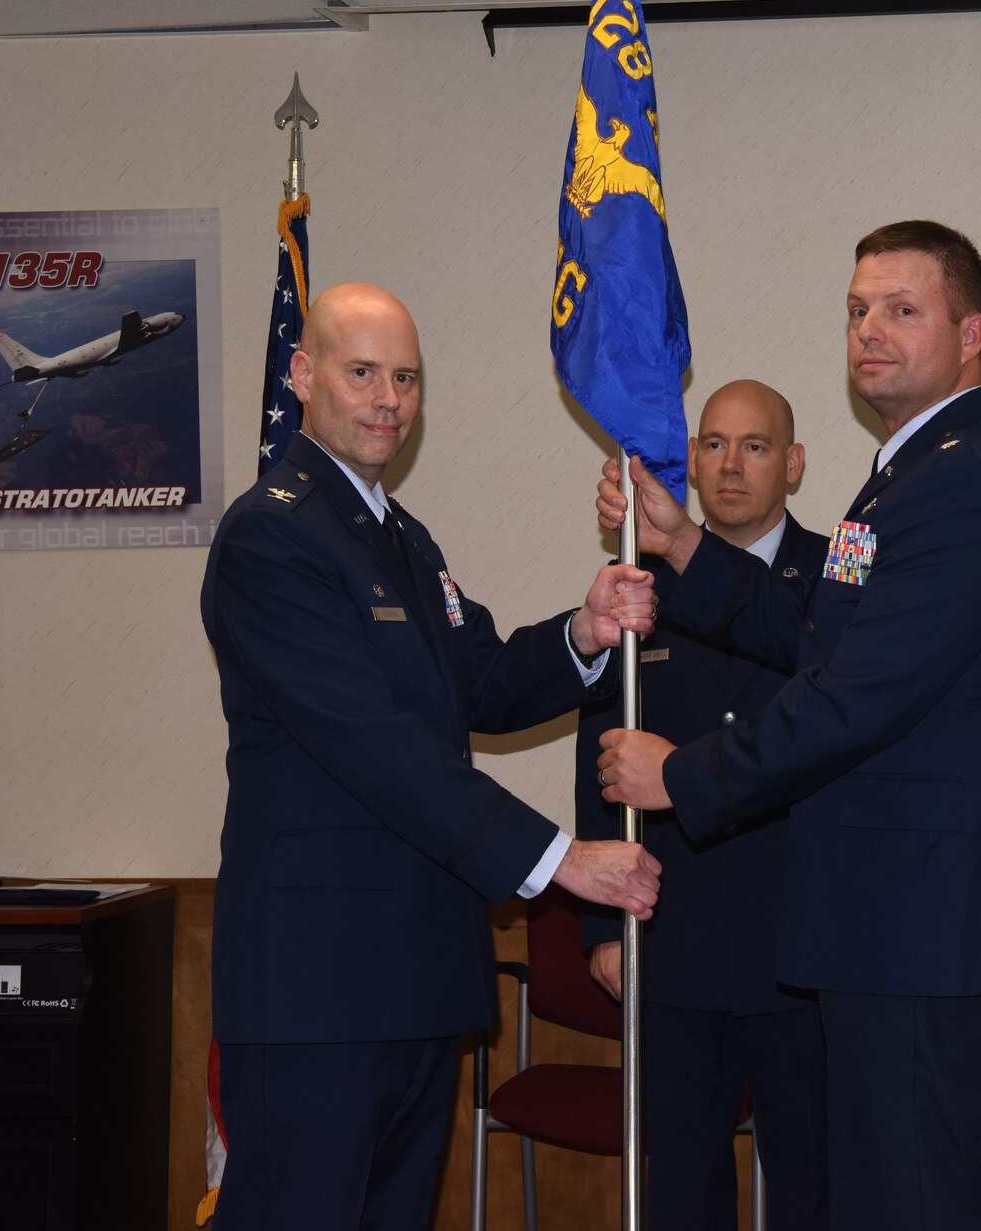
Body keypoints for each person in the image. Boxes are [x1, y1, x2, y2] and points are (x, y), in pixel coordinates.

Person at [594, 222, 981, 1231]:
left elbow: (856, 696)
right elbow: (813, 632)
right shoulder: (907, 473)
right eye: (858, 310)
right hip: (891, 922)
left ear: (970, 331)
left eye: (903, 310)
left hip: (926, 924)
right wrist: (683, 546)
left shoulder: (961, 485)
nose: (870, 332)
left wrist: (682, 776)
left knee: (911, 1205)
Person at [201, 282, 664, 1231]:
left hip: (413, 976)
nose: (387, 400)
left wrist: (583, 630)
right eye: (362, 372)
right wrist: (561, 860)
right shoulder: (271, 536)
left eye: (404, 378)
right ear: (302, 374)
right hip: (316, 993)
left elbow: (481, 680)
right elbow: (376, 746)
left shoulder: (400, 536)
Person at [576, 379, 830, 1231]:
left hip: (802, 940)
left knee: (810, 1182)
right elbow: (599, 756)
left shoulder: (832, 584)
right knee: (681, 1184)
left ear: (792, 464)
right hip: (673, 936)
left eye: (755, 446)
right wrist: (601, 925)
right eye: (714, 444)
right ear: (688, 461)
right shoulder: (636, 587)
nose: (730, 465)